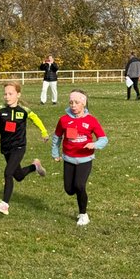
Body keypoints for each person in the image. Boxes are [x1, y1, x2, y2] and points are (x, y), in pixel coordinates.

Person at [0, 81, 49, 216]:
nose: (7, 97)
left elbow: (36, 119)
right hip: (6, 147)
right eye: (5, 94)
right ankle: (35, 166)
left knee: (8, 173)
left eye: (10, 94)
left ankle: (4, 204)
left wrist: (44, 132)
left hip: (19, 146)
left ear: (18, 95)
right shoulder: (0, 110)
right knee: (18, 175)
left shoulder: (24, 111)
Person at [51, 89, 108, 226]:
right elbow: (57, 137)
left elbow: (104, 139)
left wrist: (94, 144)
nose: (73, 105)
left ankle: (83, 214)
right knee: (69, 190)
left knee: (79, 185)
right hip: (68, 159)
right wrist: (55, 153)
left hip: (85, 159)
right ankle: (80, 200)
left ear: (84, 103)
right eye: (71, 102)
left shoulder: (91, 120)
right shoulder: (64, 120)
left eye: (76, 102)